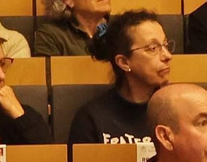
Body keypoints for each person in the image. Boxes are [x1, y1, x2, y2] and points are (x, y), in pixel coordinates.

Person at [69, 11, 173, 146]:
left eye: (165, 45)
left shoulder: (178, 110)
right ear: (123, 62)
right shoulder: (91, 118)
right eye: (152, 48)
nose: (167, 56)